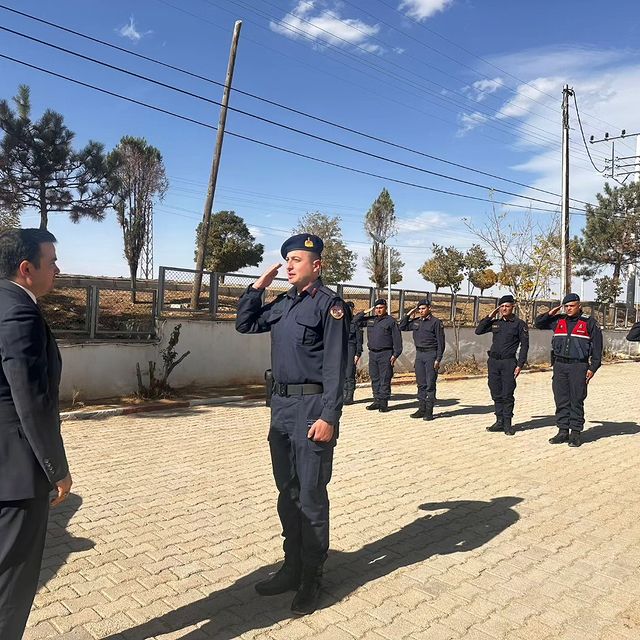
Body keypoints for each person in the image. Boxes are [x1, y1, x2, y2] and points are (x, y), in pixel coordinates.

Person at [235, 233, 348, 616]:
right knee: (288, 490)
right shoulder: (283, 304)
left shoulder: (329, 306)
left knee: (312, 493)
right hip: (280, 407)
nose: (289, 265)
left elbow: (337, 366)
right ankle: (291, 566)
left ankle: (312, 576)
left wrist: (330, 416)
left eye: (297, 259)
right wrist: (256, 288)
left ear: (317, 265)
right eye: (287, 260)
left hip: (312, 408)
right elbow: (246, 325)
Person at [0, 228, 72, 640]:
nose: (58, 270)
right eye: (52, 262)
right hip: (15, 472)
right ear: (27, 269)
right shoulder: (19, 311)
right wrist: (55, 468)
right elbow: (32, 398)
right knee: (12, 578)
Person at [535, 293, 603, 448]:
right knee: (561, 399)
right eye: (566, 306)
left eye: (571, 306)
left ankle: (575, 433)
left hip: (578, 366)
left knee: (576, 399)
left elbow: (598, 349)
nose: (568, 309)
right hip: (559, 366)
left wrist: (593, 368)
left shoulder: (589, 322)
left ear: (579, 306)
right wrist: (552, 311)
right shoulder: (558, 321)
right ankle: (562, 431)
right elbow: (538, 323)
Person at [475, 295, 529, 436]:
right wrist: (490, 316)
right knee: (495, 392)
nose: (504, 309)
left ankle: (507, 423)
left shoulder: (519, 324)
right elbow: (478, 330)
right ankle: (499, 421)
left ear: (513, 307)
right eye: (502, 306)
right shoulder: (495, 323)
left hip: (508, 363)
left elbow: (525, 345)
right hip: (493, 362)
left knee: (507, 393)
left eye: (507, 306)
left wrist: (520, 364)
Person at [399, 299, 445, 421]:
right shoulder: (416, 322)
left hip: (431, 354)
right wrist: (409, 313)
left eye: (423, 308)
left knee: (430, 384)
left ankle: (429, 411)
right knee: (421, 384)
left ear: (429, 308)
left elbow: (441, 342)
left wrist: (438, 359)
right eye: (419, 309)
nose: (421, 311)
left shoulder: (436, 322)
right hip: (419, 354)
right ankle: (421, 408)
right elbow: (402, 326)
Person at [358, 299, 402, 412]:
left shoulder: (391, 321)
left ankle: (383, 403)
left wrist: (396, 354)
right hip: (373, 353)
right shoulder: (371, 320)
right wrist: (365, 312)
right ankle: (376, 400)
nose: (378, 310)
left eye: (381, 308)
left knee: (385, 378)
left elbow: (397, 339)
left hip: (386, 354)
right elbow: (355, 321)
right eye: (376, 308)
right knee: (375, 378)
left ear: (385, 308)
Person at [343, 301, 363, 406]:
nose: (349, 310)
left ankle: (349, 397)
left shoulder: (356, 321)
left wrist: (358, 353)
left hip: (351, 348)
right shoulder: (341, 321)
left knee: (349, 374)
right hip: (342, 349)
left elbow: (359, 339)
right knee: (342, 375)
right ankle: (343, 395)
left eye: (351, 308)